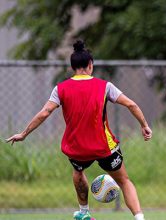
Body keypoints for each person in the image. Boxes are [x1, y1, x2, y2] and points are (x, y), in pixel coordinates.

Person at [6, 40, 152, 220]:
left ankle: (84, 212)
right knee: (124, 181)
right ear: (90, 65)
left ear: (72, 67)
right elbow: (131, 104)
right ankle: (139, 217)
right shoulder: (104, 86)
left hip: (77, 148)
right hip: (103, 146)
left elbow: (44, 113)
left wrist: (23, 134)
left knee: (78, 172)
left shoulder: (61, 88)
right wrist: (144, 125)